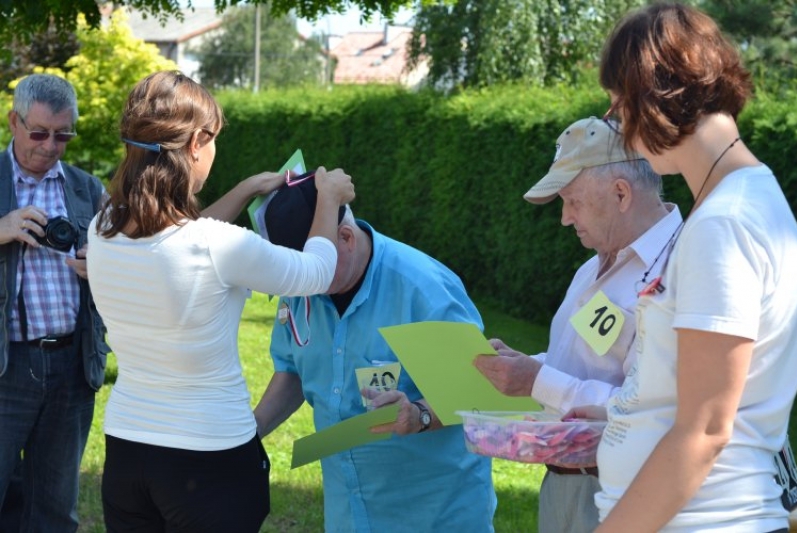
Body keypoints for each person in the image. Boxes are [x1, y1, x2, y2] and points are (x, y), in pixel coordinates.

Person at [85, 71, 354, 532]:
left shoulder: (105, 226)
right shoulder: (216, 245)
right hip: (209, 458)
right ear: (196, 142)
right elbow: (315, 273)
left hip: (129, 452)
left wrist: (248, 188)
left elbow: (179, 236)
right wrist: (328, 200)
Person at [571, 3, 797, 532]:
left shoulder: (725, 223)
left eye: (619, 108)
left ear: (657, 93)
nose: (622, 132)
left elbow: (705, 430)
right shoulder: (743, 201)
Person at [473, 116, 681, 533]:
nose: (565, 218)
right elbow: (585, 360)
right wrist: (526, 366)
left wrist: (536, 380)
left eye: (573, 201)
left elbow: (655, 407)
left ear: (621, 193)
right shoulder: (592, 267)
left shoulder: (681, 270)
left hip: (627, 494)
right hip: (563, 485)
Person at [253, 179, 497, 532]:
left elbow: (477, 388)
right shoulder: (300, 284)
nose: (302, 285)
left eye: (313, 268)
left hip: (434, 513)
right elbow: (293, 371)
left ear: (346, 238)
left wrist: (418, 415)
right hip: (349, 513)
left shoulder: (421, 287)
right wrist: (249, 434)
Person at [0, 73, 108, 532]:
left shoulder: (88, 189)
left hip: (71, 366)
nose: (49, 146)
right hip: (6, 367)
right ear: (13, 121)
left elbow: (132, 267)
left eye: (63, 135)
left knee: (55, 509)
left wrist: (102, 265)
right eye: (39, 132)